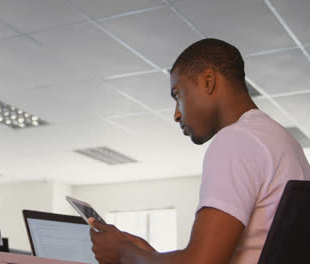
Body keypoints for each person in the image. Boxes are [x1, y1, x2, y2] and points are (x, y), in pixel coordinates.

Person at [88, 38, 310, 264]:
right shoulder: (284, 142)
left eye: (177, 95)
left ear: (208, 80)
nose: (176, 113)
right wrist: (147, 256)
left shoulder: (235, 140)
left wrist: (124, 254)